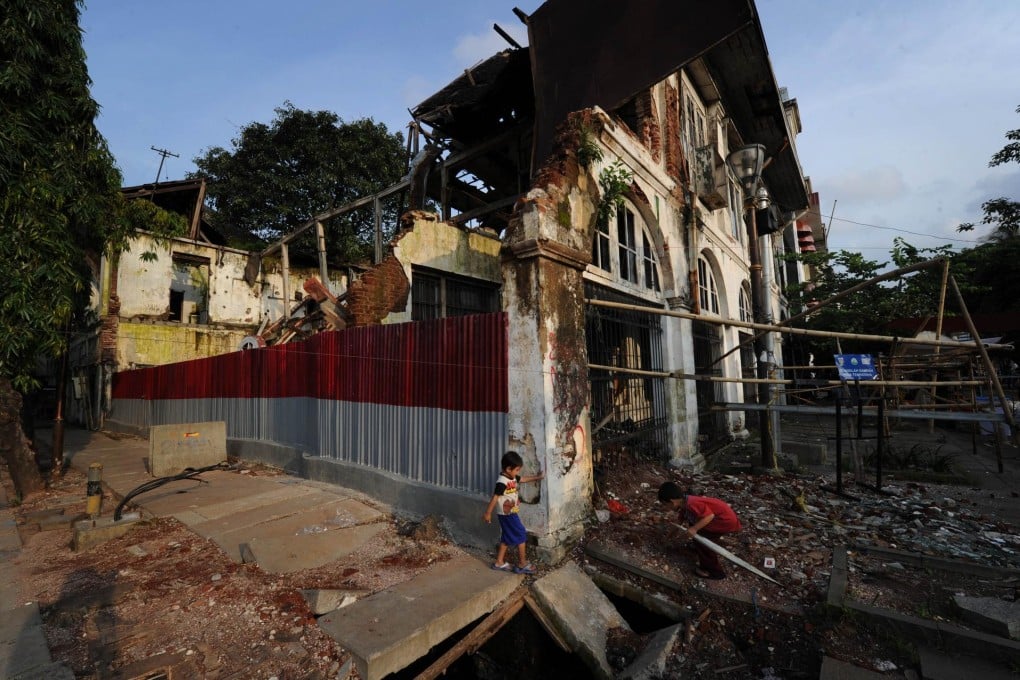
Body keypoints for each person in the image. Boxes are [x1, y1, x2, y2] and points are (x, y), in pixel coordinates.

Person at [658, 481, 741, 580]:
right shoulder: (685, 504)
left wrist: (694, 529)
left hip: (723, 521)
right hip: (720, 519)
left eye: (665, 504)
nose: (665, 508)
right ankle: (697, 546)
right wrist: (668, 537)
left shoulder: (692, 504)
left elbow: (710, 516)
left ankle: (714, 572)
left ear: (672, 502)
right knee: (693, 525)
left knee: (703, 542)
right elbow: (678, 523)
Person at [483, 451, 545, 574]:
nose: (518, 472)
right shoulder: (502, 482)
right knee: (521, 533)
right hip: (506, 514)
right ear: (508, 469)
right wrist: (488, 513)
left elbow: (522, 479)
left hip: (511, 512)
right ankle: (522, 564)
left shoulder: (511, 477)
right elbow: (495, 497)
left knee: (506, 537)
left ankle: (499, 562)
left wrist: (537, 477)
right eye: (517, 470)